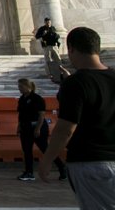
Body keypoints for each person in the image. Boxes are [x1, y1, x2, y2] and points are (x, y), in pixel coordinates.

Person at [38, 27, 115, 209]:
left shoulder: (76, 83)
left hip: (91, 162)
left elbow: (66, 129)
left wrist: (48, 159)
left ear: (71, 48)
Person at [15, 78, 66, 182]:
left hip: (37, 126)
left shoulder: (37, 98)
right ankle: (29, 172)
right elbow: (21, 114)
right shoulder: (22, 99)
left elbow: (41, 115)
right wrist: (19, 126)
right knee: (27, 150)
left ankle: (61, 167)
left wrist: (38, 128)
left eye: (21, 86)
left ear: (27, 86)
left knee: (45, 149)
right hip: (26, 127)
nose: (19, 88)